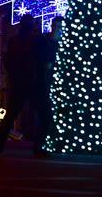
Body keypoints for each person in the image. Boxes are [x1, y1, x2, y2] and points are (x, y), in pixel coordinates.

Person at [0, 14, 39, 155]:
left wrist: (12, 75)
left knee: (10, 115)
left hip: (17, 82)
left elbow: (7, 60)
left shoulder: (14, 41)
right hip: (30, 81)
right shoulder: (33, 41)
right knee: (39, 113)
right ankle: (37, 145)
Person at [32, 16, 63, 155]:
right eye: (55, 26)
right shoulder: (44, 42)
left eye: (59, 27)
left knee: (51, 116)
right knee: (45, 116)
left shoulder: (61, 44)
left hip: (55, 85)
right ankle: (39, 145)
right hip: (43, 85)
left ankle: (48, 144)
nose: (56, 29)